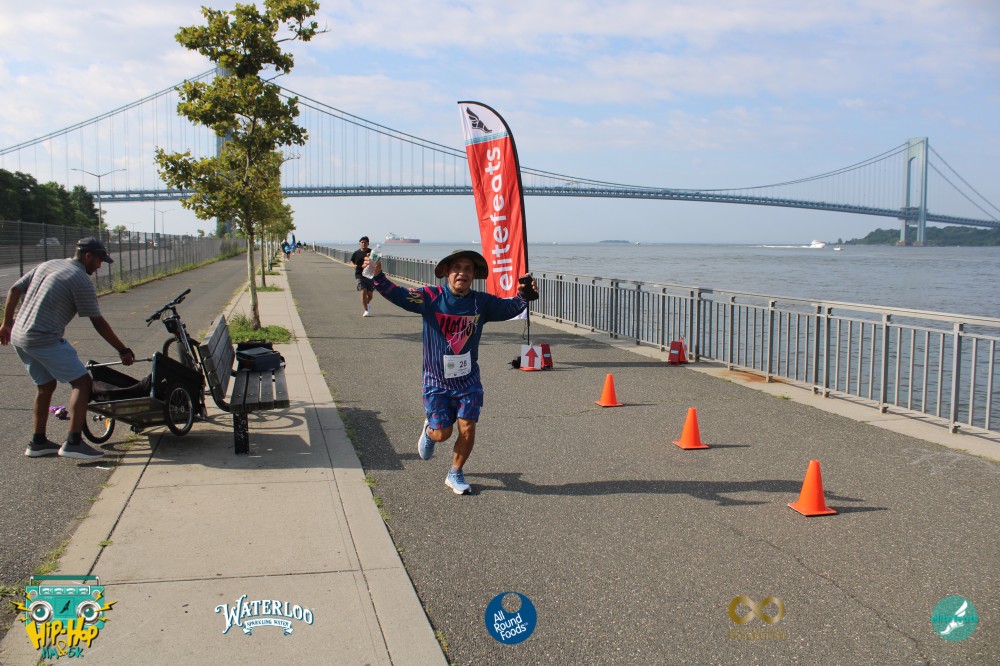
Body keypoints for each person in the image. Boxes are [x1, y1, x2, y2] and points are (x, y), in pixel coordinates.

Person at [365, 249, 538, 495]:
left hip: (468, 380)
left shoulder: (481, 302)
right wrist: (378, 276)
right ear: (447, 272)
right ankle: (430, 431)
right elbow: (398, 294)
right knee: (443, 434)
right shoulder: (430, 297)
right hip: (436, 382)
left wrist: (524, 295)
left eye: (468, 269)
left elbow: (510, 308)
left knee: (468, 428)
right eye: (457, 268)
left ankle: (455, 473)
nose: (462, 273)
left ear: (474, 275)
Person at [0, 237, 136, 459]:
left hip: (19, 336)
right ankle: (74, 442)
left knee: (45, 385)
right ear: (87, 256)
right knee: (82, 383)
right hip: (42, 338)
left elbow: (15, 289)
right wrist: (122, 349)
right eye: (99, 260)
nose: (99, 266)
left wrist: (7, 323)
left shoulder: (49, 264)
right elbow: (97, 321)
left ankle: (38, 442)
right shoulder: (80, 279)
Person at [350, 236, 375, 317]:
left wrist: (370, 257)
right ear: (359, 243)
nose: (363, 243)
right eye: (362, 242)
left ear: (368, 243)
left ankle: (367, 304)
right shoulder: (356, 253)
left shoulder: (371, 252)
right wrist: (353, 266)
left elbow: (376, 261)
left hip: (369, 275)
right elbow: (352, 261)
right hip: (359, 275)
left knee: (370, 295)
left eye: (365, 242)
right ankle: (366, 310)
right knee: (363, 291)